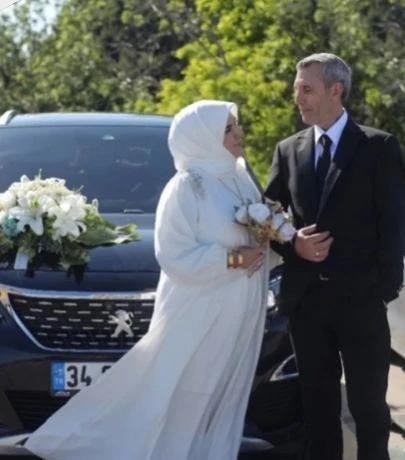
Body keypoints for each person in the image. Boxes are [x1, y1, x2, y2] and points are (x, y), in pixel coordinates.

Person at [24, 100, 275, 460]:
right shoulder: (186, 188)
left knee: (218, 400)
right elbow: (173, 255)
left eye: (236, 126)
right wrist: (234, 259)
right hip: (199, 316)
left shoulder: (240, 179)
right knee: (185, 397)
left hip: (238, 316)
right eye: (228, 129)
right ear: (201, 137)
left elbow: (258, 236)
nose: (240, 133)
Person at [264, 52, 405, 460]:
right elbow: (267, 217)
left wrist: (384, 289)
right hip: (306, 304)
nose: (298, 99)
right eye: (297, 90)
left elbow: (394, 221)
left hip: (362, 301)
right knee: (318, 413)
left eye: (307, 90)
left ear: (335, 90)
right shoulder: (287, 150)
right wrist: (293, 245)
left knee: (369, 411)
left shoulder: (379, 146)